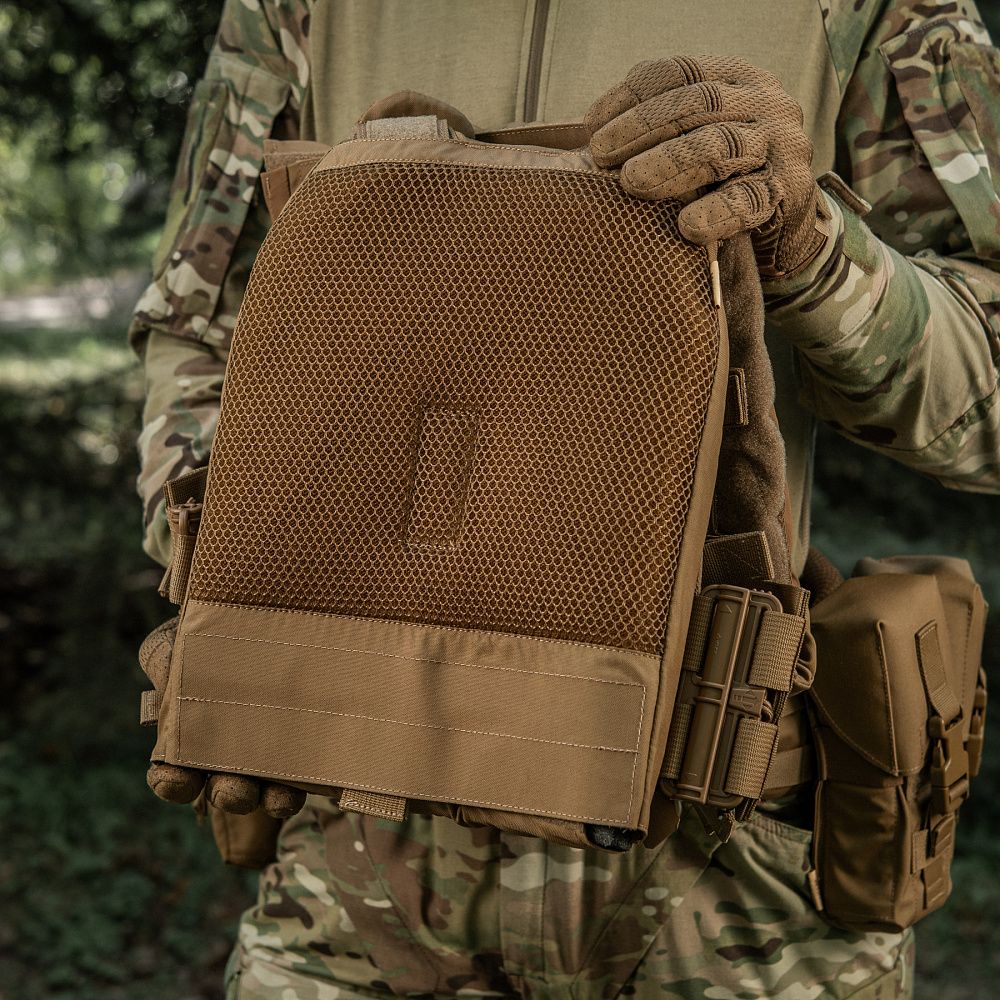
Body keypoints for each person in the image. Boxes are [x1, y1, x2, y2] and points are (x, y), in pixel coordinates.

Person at [129, 1, 1000, 996]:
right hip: (352, 852)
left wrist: (813, 254)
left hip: (727, 867)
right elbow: (199, 324)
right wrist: (233, 582)